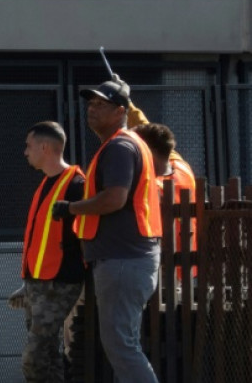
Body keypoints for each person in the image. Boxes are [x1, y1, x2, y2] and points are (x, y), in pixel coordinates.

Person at [51, 78, 162, 383]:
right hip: (128, 259)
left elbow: (115, 199)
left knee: (121, 346)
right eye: (91, 103)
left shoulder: (120, 147)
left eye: (101, 104)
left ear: (121, 111)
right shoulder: (125, 145)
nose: (92, 108)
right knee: (122, 344)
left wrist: (71, 208)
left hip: (123, 260)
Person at [13, 121, 86, 382]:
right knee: (49, 356)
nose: (26, 152)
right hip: (38, 284)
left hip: (60, 283)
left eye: (29, 146)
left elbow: (85, 236)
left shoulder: (76, 184)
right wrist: (28, 282)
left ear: (44, 147)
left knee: (34, 358)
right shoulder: (46, 184)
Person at [132, 122, 197, 279]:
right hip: (187, 266)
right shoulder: (183, 168)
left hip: (162, 270)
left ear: (149, 152)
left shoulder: (150, 185)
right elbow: (159, 140)